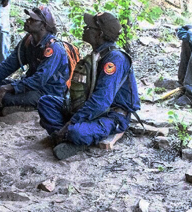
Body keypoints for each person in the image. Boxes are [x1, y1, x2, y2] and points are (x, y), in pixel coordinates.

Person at [38, 11, 139, 160]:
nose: (85, 28)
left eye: (89, 27)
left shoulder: (115, 59)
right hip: (90, 109)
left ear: (100, 34)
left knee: (76, 131)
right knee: (46, 103)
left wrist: (72, 121)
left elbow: (101, 101)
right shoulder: (97, 54)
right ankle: (68, 137)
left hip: (111, 114)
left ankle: (71, 137)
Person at [0, 5, 70, 114]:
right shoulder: (28, 41)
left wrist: (7, 88)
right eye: (28, 18)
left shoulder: (53, 49)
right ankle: (2, 102)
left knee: (5, 96)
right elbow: (7, 66)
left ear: (43, 26)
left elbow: (39, 80)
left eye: (32, 20)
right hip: (31, 85)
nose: (27, 21)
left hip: (47, 91)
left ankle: (18, 107)